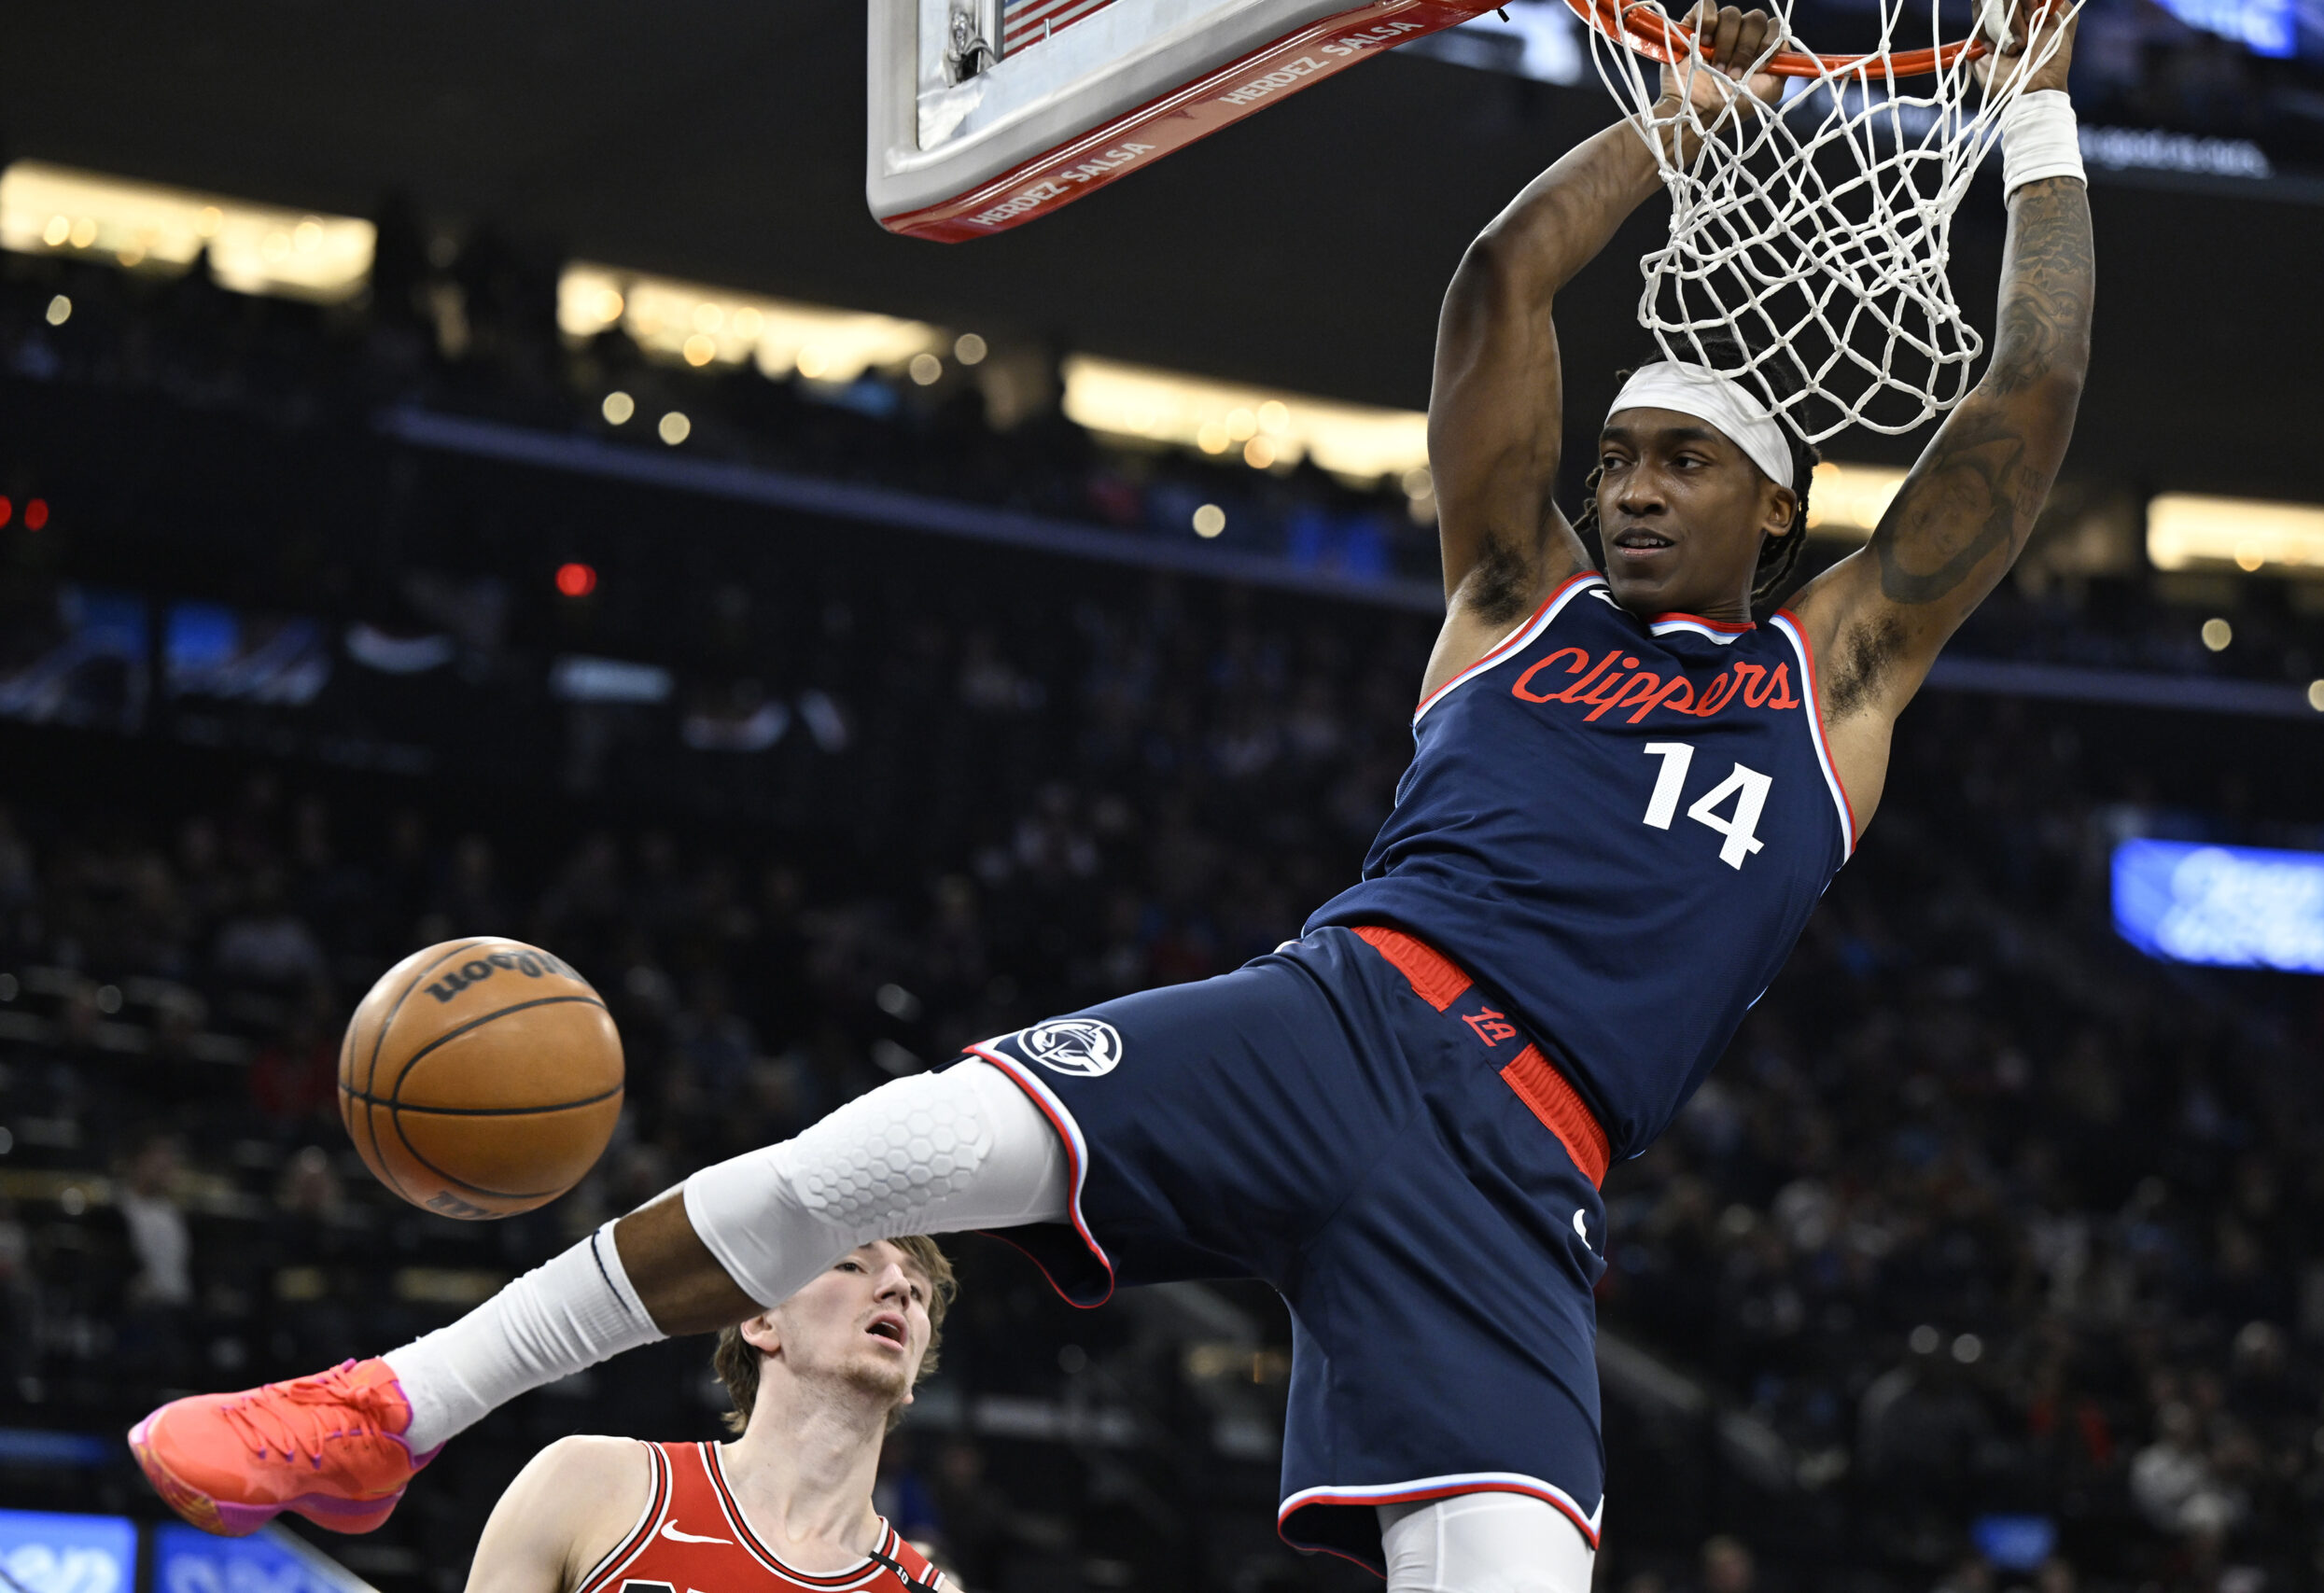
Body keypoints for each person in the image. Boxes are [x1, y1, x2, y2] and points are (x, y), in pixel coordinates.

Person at [129, 7, 2093, 1586]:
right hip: (1329, 1017)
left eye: (1680, 460)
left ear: (1782, 507)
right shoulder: (1513, 599)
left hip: (1517, 1171)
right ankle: (394, 1401)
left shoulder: (1824, 677)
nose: (1634, 480)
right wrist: (1675, 115)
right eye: (1621, 452)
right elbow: (1499, 289)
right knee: (873, 1155)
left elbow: (2022, 400)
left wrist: (2043, 128)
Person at [462, 1239, 952, 1593]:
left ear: (912, 1379)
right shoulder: (586, 1483)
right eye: (851, 1264)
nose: (898, 1289)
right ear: (761, 1321)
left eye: (917, 1288)